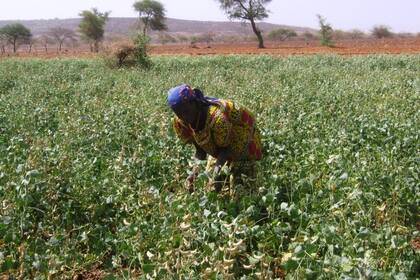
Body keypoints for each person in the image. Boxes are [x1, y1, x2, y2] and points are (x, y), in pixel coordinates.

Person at [167, 84, 262, 196]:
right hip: (220, 147)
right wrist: (193, 174)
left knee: (242, 194)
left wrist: (216, 175)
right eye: (179, 113)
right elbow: (200, 150)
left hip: (242, 144)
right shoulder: (181, 123)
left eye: (186, 111)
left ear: (195, 103)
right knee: (212, 191)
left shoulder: (217, 118)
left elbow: (225, 149)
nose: (184, 117)